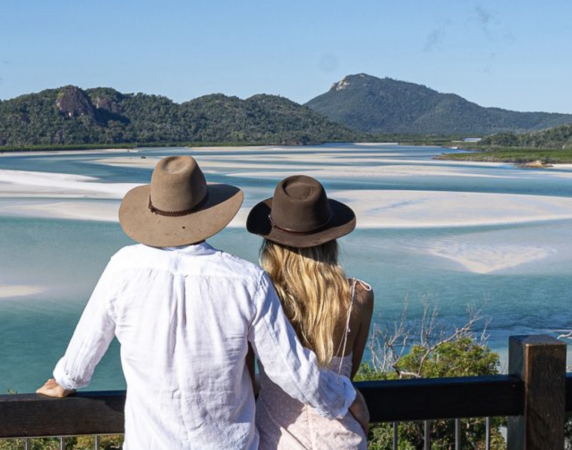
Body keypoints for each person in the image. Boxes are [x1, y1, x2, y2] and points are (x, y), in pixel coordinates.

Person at [36, 156, 367, 449]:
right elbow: (291, 371)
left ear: (153, 212)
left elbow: (83, 353)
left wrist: (64, 381)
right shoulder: (246, 280)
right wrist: (344, 399)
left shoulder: (123, 268)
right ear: (208, 211)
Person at [246, 175, 374, 449]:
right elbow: (345, 379)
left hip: (278, 439)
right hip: (343, 439)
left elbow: (246, 381)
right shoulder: (358, 297)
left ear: (272, 243)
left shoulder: (260, 297)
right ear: (331, 239)